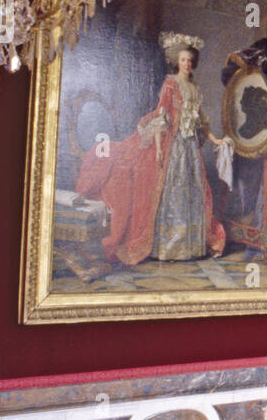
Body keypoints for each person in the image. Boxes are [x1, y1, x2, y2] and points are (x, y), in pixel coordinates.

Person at [76, 31, 225, 266]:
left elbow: (201, 122)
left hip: (190, 149)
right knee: (172, 192)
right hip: (173, 147)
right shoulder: (170, 84)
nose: (186, 64)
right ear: (177, 61)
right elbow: (160, 117)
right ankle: (169, 247)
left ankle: (190, 246)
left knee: (192, 192)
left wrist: (215, 140)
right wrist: (157, 149)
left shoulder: (195, 89)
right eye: (183, 60)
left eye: (189, 60)